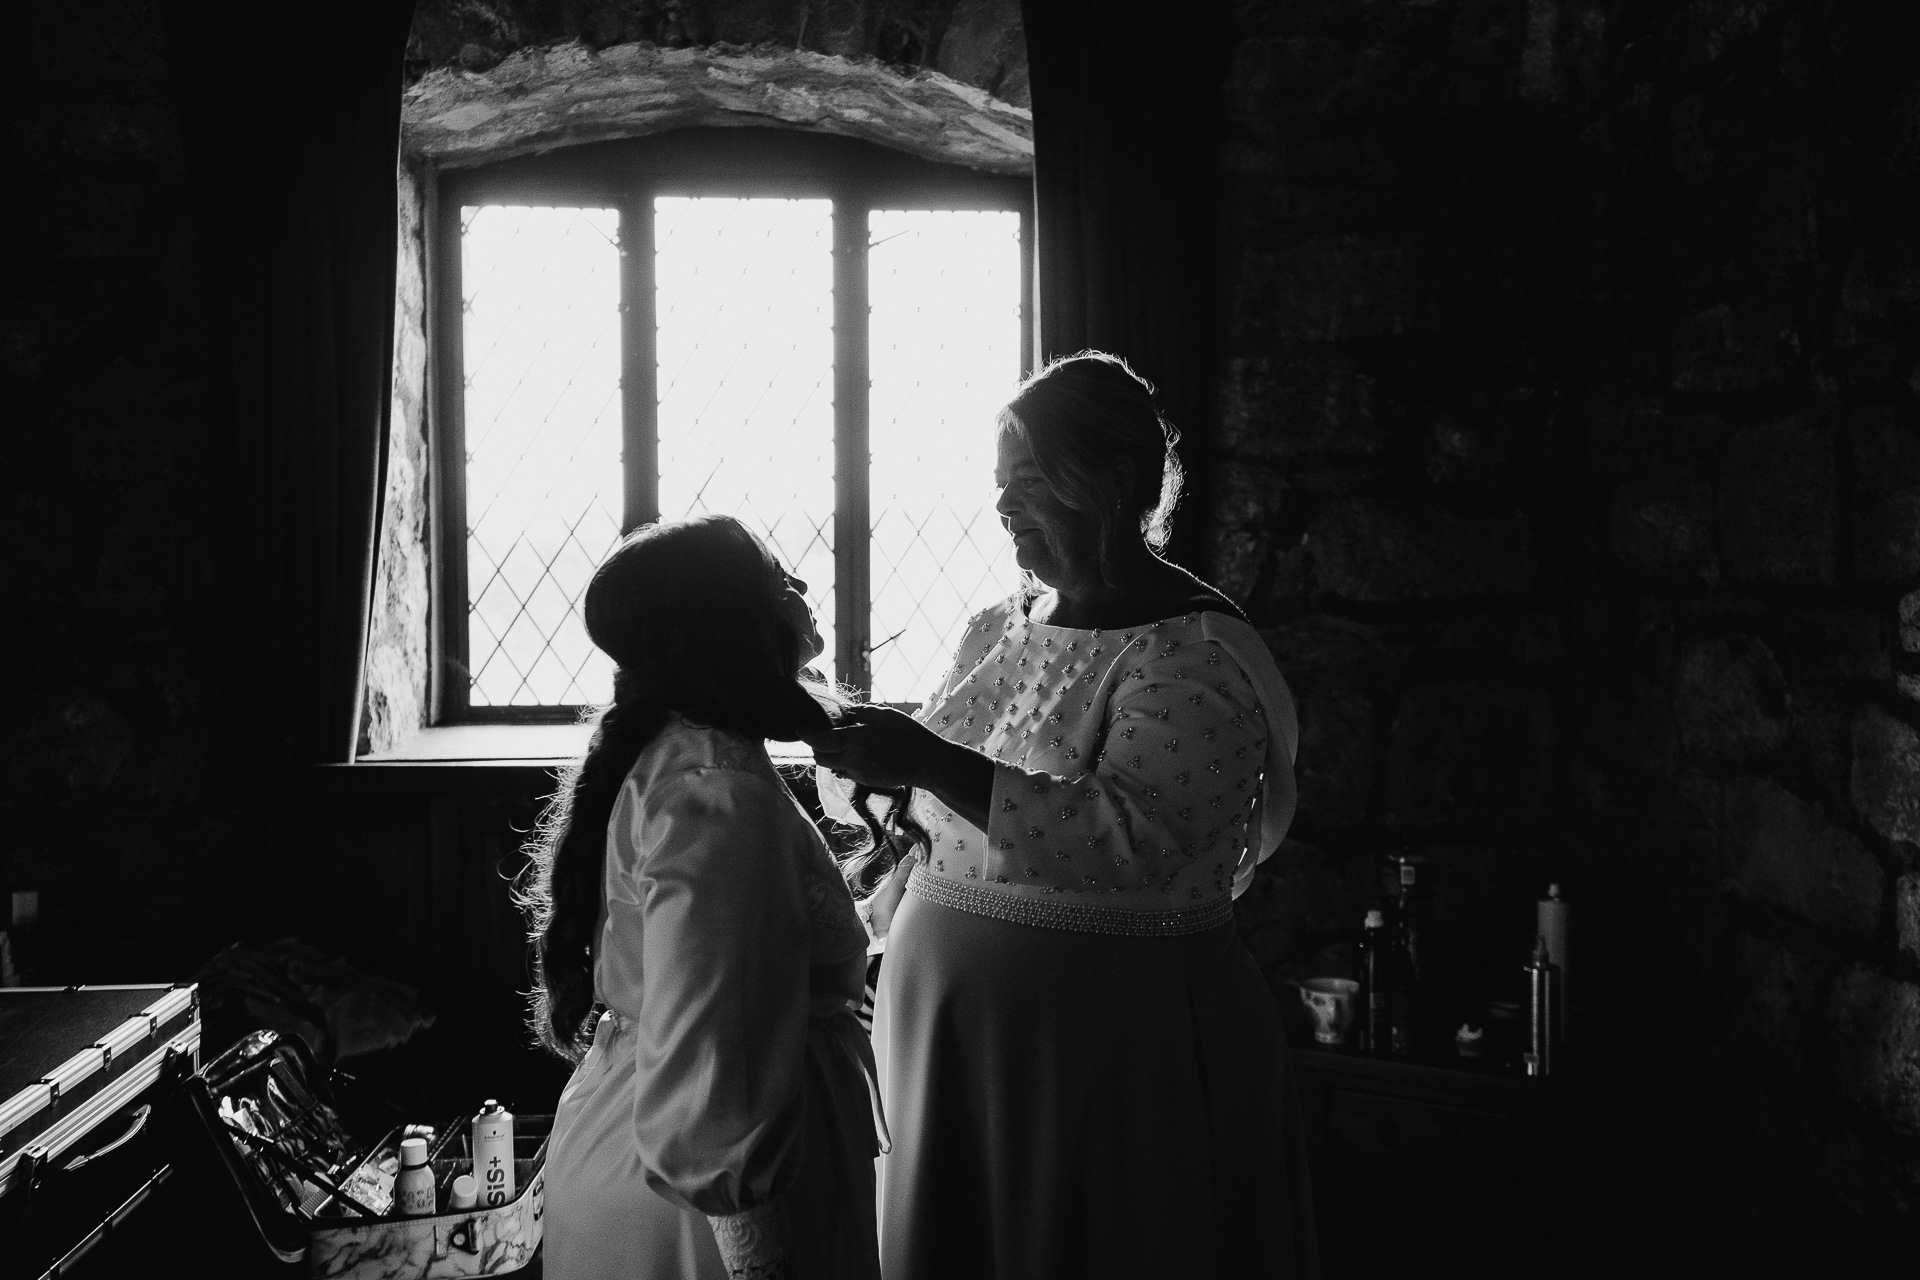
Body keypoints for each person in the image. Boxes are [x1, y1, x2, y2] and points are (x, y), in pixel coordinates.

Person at [809, 352, 1318, 1279]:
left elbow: (1134, 840)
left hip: (1100, 1051)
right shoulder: (998, 627)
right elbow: (937, 798)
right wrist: (867, 757)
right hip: (949, 1029)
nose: (1004, 507)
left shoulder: (1192, 651)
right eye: (1001, 485)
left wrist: (922, 757)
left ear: (1116, 482)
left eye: (1031, 480)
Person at [525, 515, 884, 1280]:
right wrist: (757, 1251)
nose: (799, 588)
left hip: (650, 1141)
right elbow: (713, 1034)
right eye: (775, 577)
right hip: (701, 1197)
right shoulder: (718, 787)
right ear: (729, 622)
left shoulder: (690, 752)